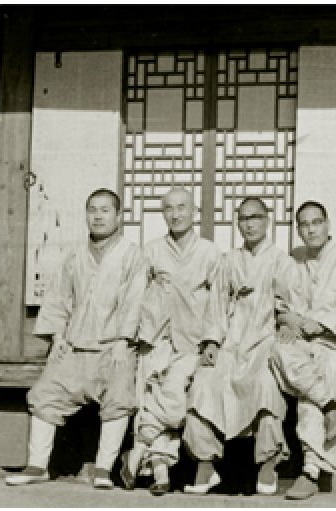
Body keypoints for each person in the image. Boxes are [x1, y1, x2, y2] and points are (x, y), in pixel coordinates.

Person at [5, 188, 147, 489]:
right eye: (92, 210)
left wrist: (123, 340)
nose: (98, 216)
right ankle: (37, 465)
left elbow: (136, 301)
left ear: (119, 217)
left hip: (114, 346)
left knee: (119, 397)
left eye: (105, 210)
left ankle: (103, 469)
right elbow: (59, 298)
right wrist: (58, 337)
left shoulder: (133, 255)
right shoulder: (74, 256)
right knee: (45, 392)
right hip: (75, 344)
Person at [182, 197, 302, 496]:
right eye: (243, 218)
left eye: (256, 217)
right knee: (205, 382)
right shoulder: (229, 260)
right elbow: (216, 305)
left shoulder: (281, 261)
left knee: (264, 384)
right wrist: (211, 341)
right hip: (231, 341)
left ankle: (268, 463)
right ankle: (205, 464)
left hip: (264, 339)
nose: (249, 224)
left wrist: (287, 323)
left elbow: (291, 304)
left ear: (267, 220)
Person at [119, 188, 225, 496]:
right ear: (163, 213)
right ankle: (162, 471)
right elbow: (135, 295)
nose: (176, 213)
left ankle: (137, 452)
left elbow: (218, 302)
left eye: (182, 207)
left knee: (174, 399)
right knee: (150, 394)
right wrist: (131, 336)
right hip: (155, 336)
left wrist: (212, 341)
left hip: (191, 339)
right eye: (169, 208)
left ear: (195, 211)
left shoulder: (209, 252)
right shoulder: (151, 250)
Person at [270, 200, 336, 500]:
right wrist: (287, 320)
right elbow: (281, 304)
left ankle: (310, 470)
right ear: (298, 229)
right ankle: (331, 406)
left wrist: (315, 325)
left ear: (328, 225)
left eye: (317, 223)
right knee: (277, 351)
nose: (311, 229)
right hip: (304, 340)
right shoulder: (294, 259)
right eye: (304, 224)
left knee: (319, 378)